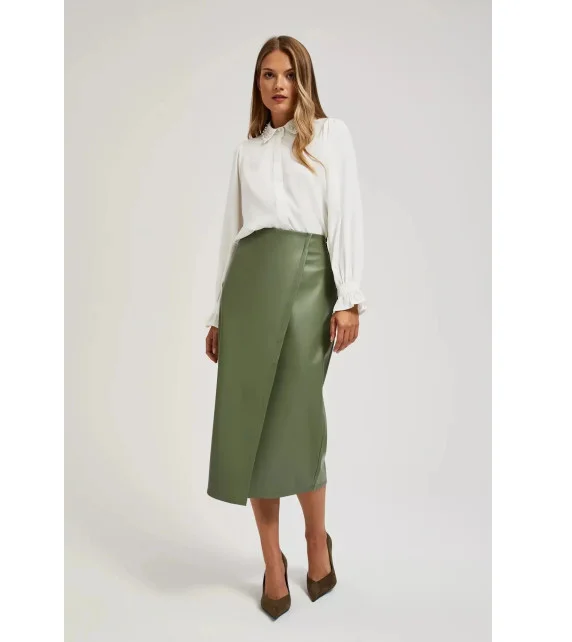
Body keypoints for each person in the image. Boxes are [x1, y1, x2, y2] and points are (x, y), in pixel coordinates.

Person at [203, 35, 366, 619]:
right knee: (250, 424)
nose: (278, 84)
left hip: (308, 281)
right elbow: (232, 233)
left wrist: (349, 298)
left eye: (289, 74)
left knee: (298, 418)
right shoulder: (246, 151)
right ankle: (272, 561)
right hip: (249, 285)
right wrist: (217, 314)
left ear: (304, 80)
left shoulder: (330, 135)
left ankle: (315, 540)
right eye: (268, 74)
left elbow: (345, 214)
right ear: (258, 83)